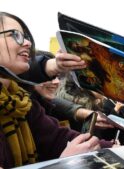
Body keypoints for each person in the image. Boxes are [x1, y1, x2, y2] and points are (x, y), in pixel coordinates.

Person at [0, 12, 100, 168]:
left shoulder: (21, 102)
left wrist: (116, 148)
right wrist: (63, 164)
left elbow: (58, 138)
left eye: (26, 37)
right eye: (15, 35)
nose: (27, 43)